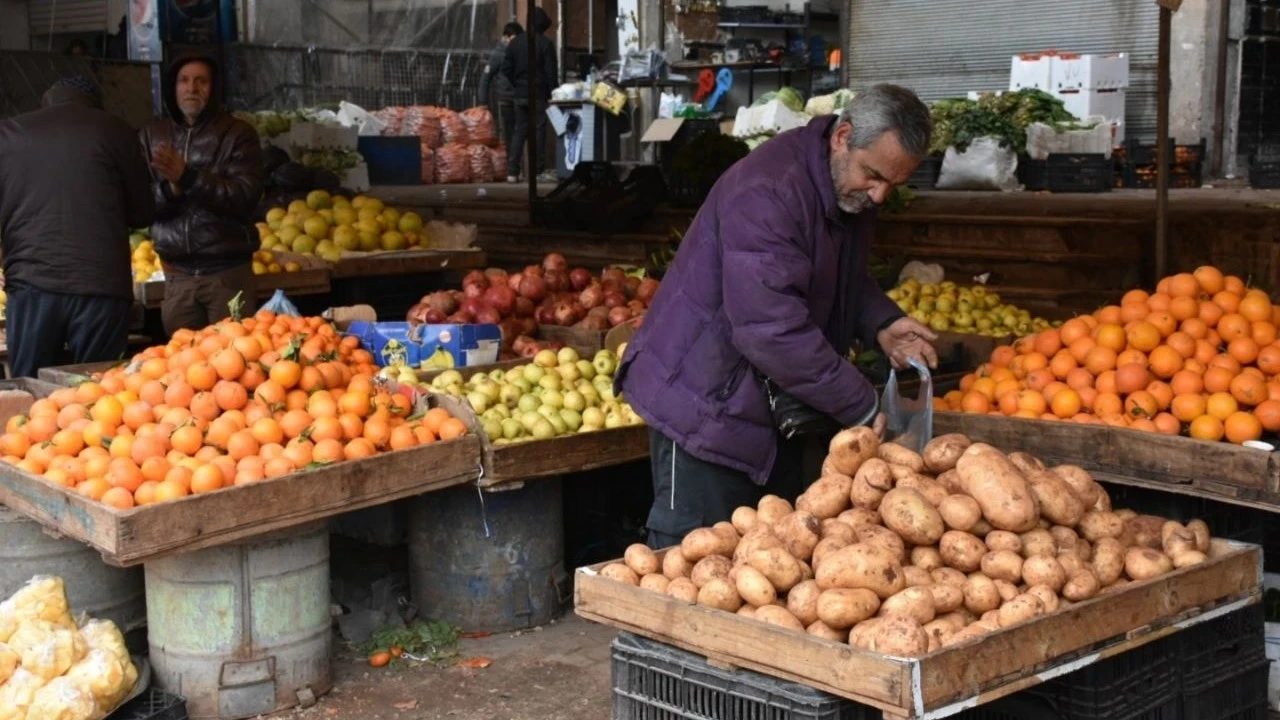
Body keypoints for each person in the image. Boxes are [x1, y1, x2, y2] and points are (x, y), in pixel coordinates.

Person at [617, 84, 939, 549]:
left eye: (894, 184)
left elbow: (832, 273)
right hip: (704, 402)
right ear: (842, 136)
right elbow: (771, 329)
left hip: (765, 405)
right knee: (692, 560)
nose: (881, 195)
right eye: (874, 175)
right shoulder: (768, 191)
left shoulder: (845, 187)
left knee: (765, 560)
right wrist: (860, 404)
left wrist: (881, 323)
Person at [0, 77, 154, 379]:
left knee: (30, 388)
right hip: (102, 287)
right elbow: (142, 213)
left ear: (47, 100)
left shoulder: (8, 134)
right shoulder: (116, 131)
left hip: (32, 283)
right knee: (98, 390)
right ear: (96, 104)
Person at [140, 53, 264, 335]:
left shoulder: (238, 134)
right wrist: (171, 189)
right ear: (173, 87)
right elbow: (140, 202)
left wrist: (189, 178)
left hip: (227, 275)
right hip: (177, 278)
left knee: (236, 360)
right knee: (185, 367)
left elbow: (245, 196)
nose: (191, 88)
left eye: (201, 81)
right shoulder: (151, 135)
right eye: (183, 81)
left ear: (214, 88)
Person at [501, 6, 557, 182]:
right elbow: (551, 73)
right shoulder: (545, 44)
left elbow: (506, 68)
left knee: (520, 131)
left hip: (519, 94)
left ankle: (512, 171)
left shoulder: (515, 43)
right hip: (538, 94)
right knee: (539, 130)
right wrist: (552, 93)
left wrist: (517, 84)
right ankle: (537, 170)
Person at [480, 22, 523, 155]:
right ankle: (512, 166)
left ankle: (516, 166)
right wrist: (483, 102)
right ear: (509, 37)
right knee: (510, 134)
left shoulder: (516, 51)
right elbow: (486, 77)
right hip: (506, 99)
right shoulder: (499, 54)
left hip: (517, 98)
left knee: (518, 133)